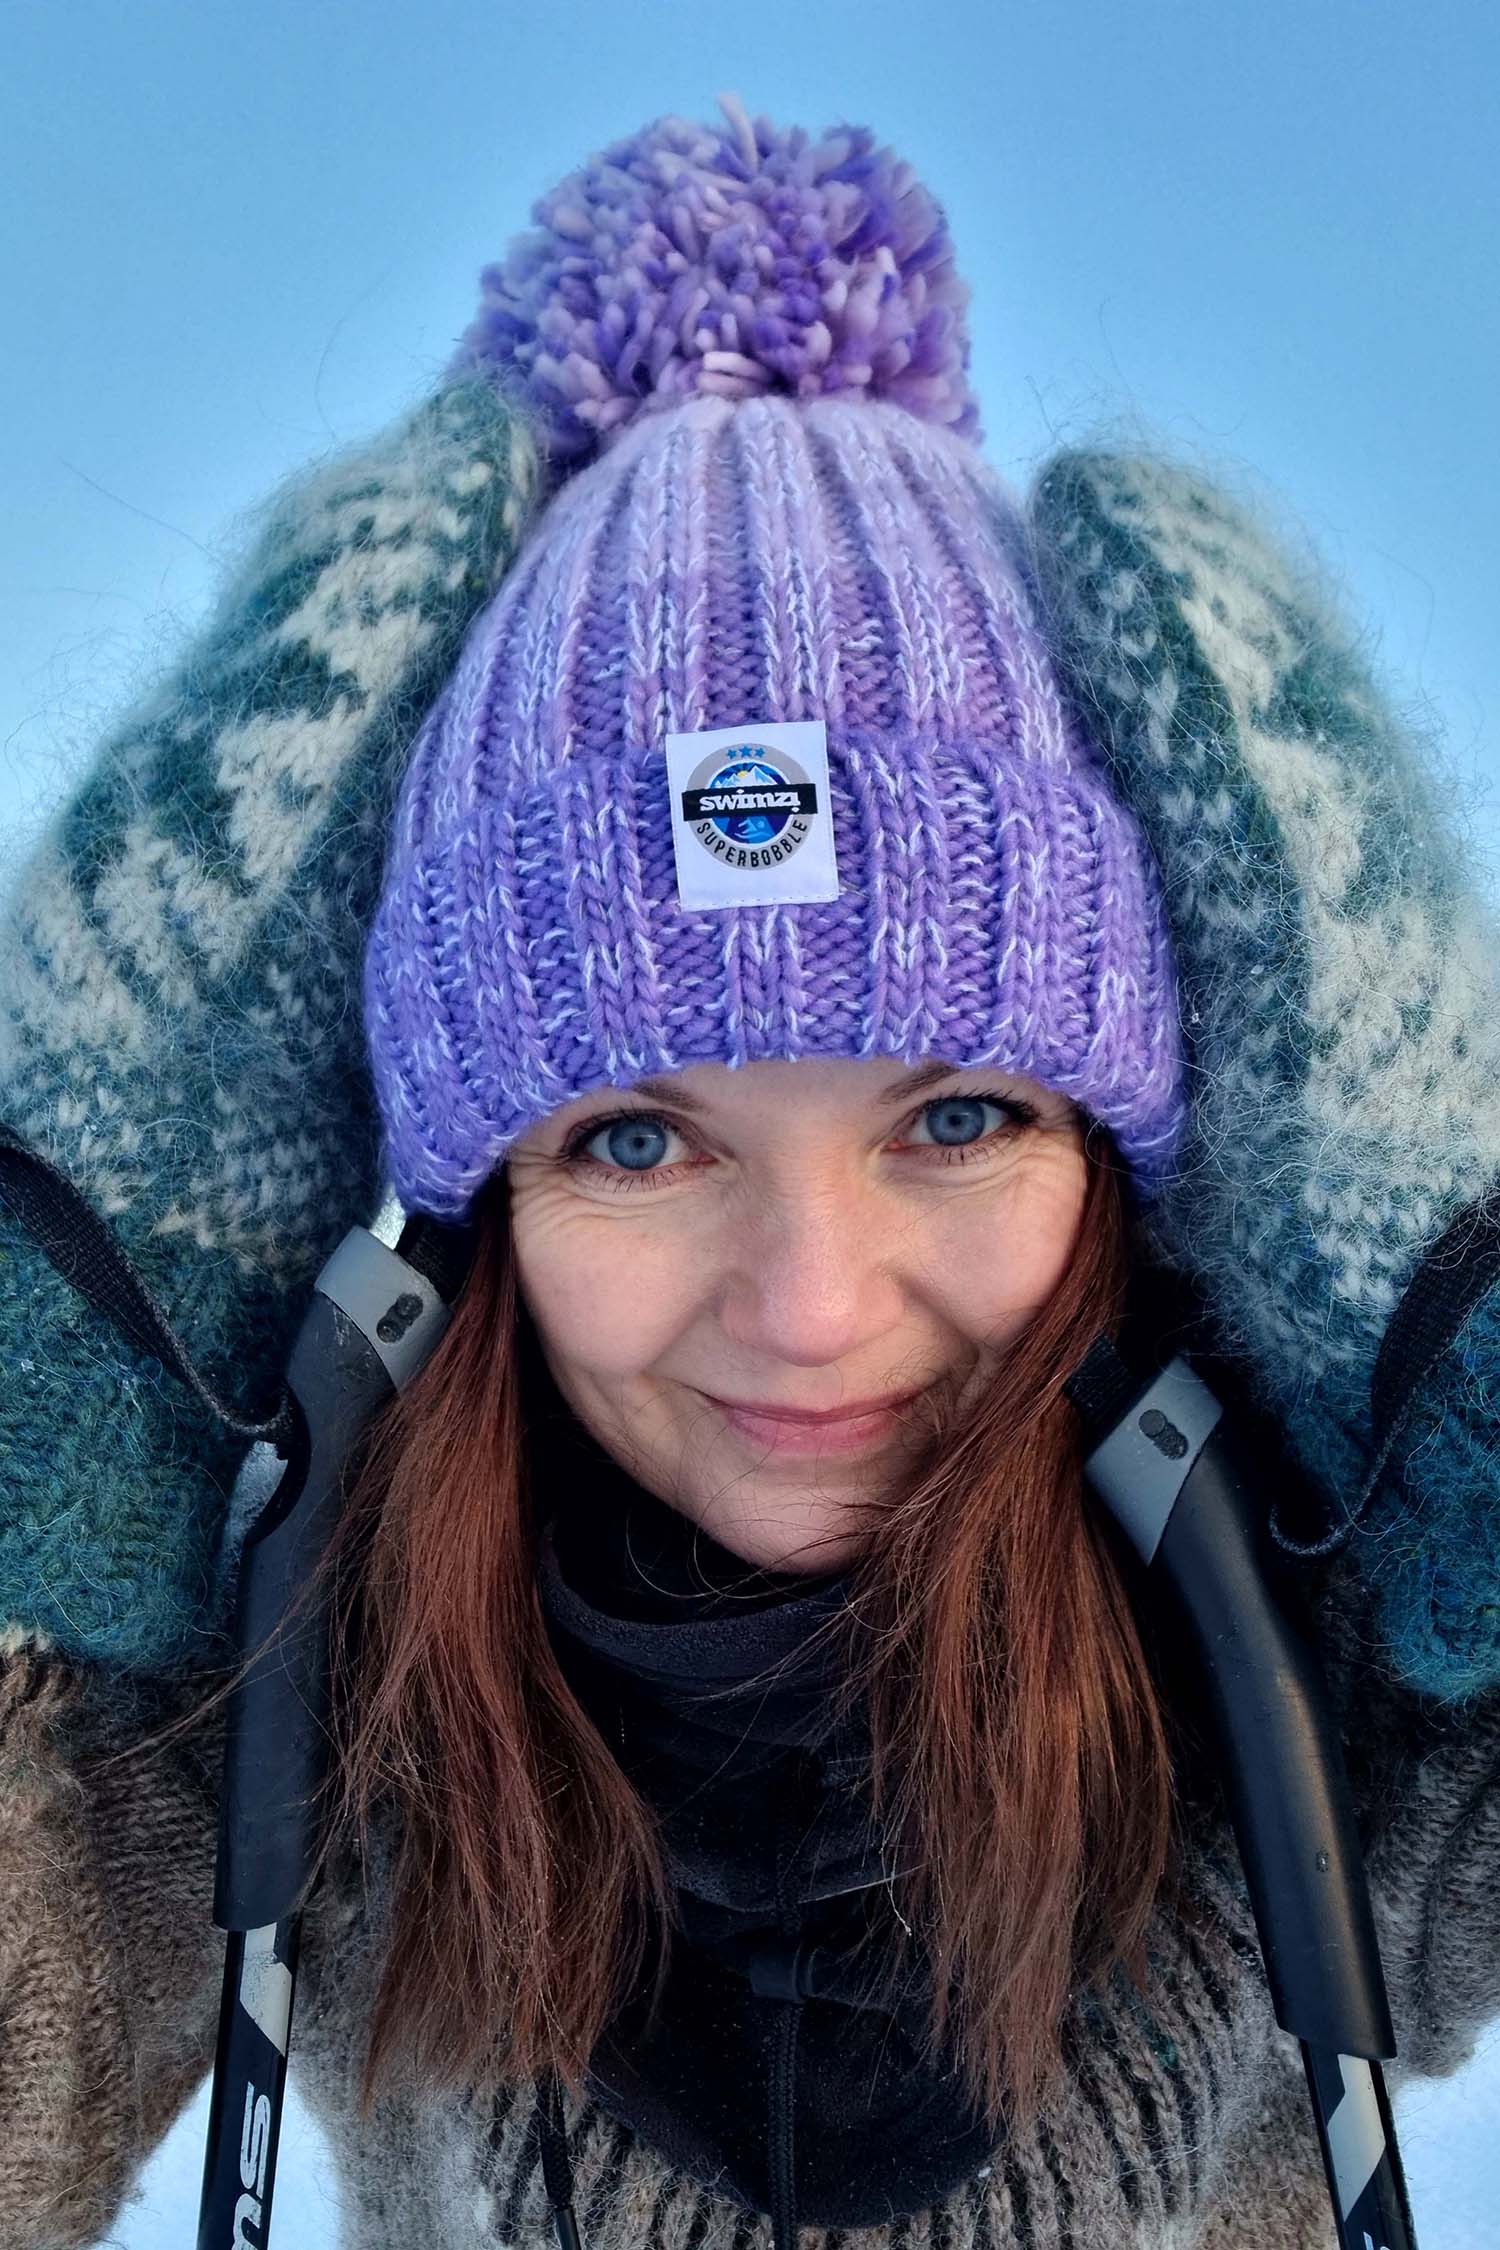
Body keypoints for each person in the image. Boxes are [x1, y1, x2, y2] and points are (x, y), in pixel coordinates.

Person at [2, 91, 1499, 2250]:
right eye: (635, 1136)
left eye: (957, 1116)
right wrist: (60, 1381)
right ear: (469, 1214)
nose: (809, 1302)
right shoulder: (301, 1690)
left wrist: (1467, 1350)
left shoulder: (1331, 1665)